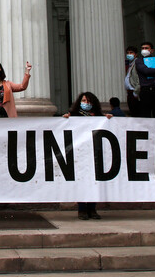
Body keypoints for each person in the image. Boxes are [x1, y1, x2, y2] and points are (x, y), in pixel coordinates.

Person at [63, 92, 112, 220]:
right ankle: (82, 209)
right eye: (84, 101)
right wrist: (65, 119)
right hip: (80, 154)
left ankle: (92, 208)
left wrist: (108, 119)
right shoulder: (74, 115)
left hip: (94, 153)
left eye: (88, 101)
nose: (86, 103)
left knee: (94, 182)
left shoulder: (98, 116)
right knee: (81, 182)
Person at [134, 42, 155, 118]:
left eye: (146, 48)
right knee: (146, 113)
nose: (144, 50)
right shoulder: (139, 61)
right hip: (146, 89)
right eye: (142, 48)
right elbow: (145, 71)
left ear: (151, 50)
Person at [124, 46, 141, 117]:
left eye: (131, 53)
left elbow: (139, 79)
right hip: (130, 92)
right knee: (132, 111)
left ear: (136, 54)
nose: (129, 54)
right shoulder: (130, 64)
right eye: (128, 53)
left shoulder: (137, 63)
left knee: (136, 112)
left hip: (134, 91)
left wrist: (136, 92)